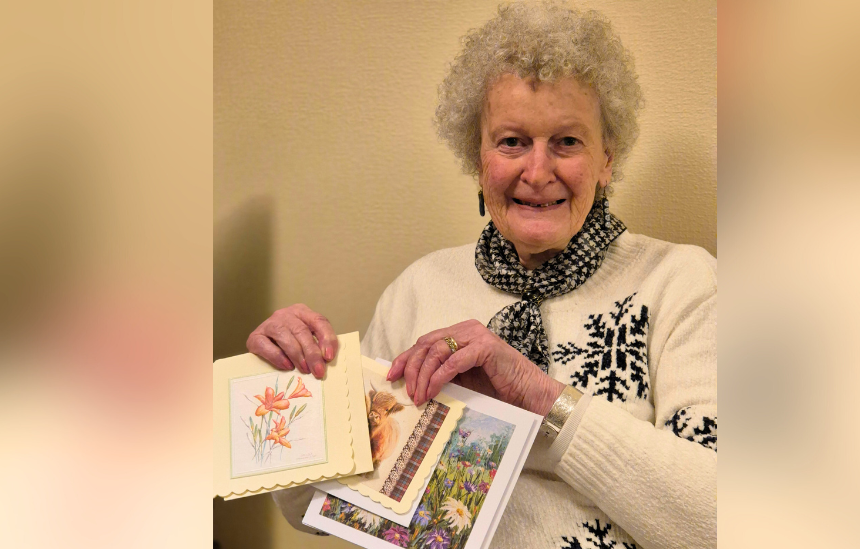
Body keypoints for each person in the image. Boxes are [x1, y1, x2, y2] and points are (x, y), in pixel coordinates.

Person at [247, 3, 716, 548]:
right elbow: (323, 506)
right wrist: (292, 391)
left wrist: (544, 400)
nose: (537, 172)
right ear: (477, 157)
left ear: (607, 159)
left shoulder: (681, 282)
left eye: (567, 141)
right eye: (511, 141)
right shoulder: (418, 289)